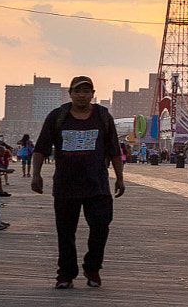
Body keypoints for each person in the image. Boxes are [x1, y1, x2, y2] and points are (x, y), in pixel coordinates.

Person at [30, 75, 125, 288]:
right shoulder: (57, 117)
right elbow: (41, 149)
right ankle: (66, 274)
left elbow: (114, 150)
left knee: (101, 227)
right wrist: (36, 175)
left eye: (86, 91)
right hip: (66, 185)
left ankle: (92, 269)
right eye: (77, 91)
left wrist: (120, 178)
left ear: (92, 94)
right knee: (65, 232)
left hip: (97, 185)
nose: (82, 96)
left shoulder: (102, 116)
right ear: (70, 93)